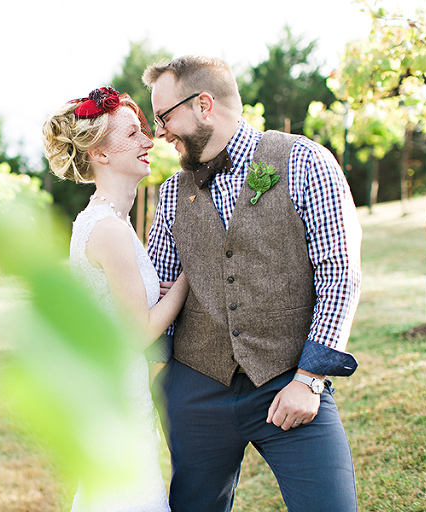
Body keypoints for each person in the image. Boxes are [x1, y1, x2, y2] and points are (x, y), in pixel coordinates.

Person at [142, 55, 362, 512]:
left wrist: (309, 379)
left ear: (204, 105)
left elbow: (339, 274)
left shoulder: (304, 161)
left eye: (163, 116)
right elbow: (157, 288)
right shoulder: (170, 194)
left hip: (289, 382)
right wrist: (159, 374)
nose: (158, 131)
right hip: (195, 391)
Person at [42, 86, 189, 512]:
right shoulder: (108, 230)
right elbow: (138, 330)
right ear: (100, 154)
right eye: (132, 134)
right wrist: (188, 278)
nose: (149, 141)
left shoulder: (103, 222)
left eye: (146, 130)